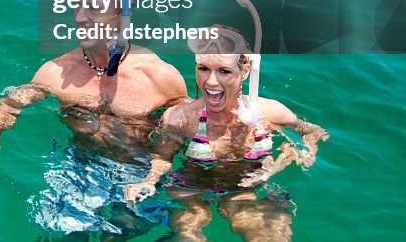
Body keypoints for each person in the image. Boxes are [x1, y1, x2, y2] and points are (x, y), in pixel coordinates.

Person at [0, 0, 188, 235]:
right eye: (77, 6)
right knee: (63, 233)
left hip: (141, 172)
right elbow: (11, 104)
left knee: (128, 230)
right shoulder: (56, 72)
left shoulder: (160, 78)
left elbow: (189, 126)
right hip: (80, 163)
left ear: (124, 14)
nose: (79, 17)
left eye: (92, 8)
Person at [125, 13, 329, 242]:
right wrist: (148, 182)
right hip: (191, 188)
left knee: (268, 237)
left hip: (245, 191)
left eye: (224, 71)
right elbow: (162, 159)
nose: (211, 82)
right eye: (203, 69)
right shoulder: (180, 119)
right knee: (188, 235)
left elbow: (313, 132)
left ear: (244, 72)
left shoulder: (270, 112)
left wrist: (304, 152)